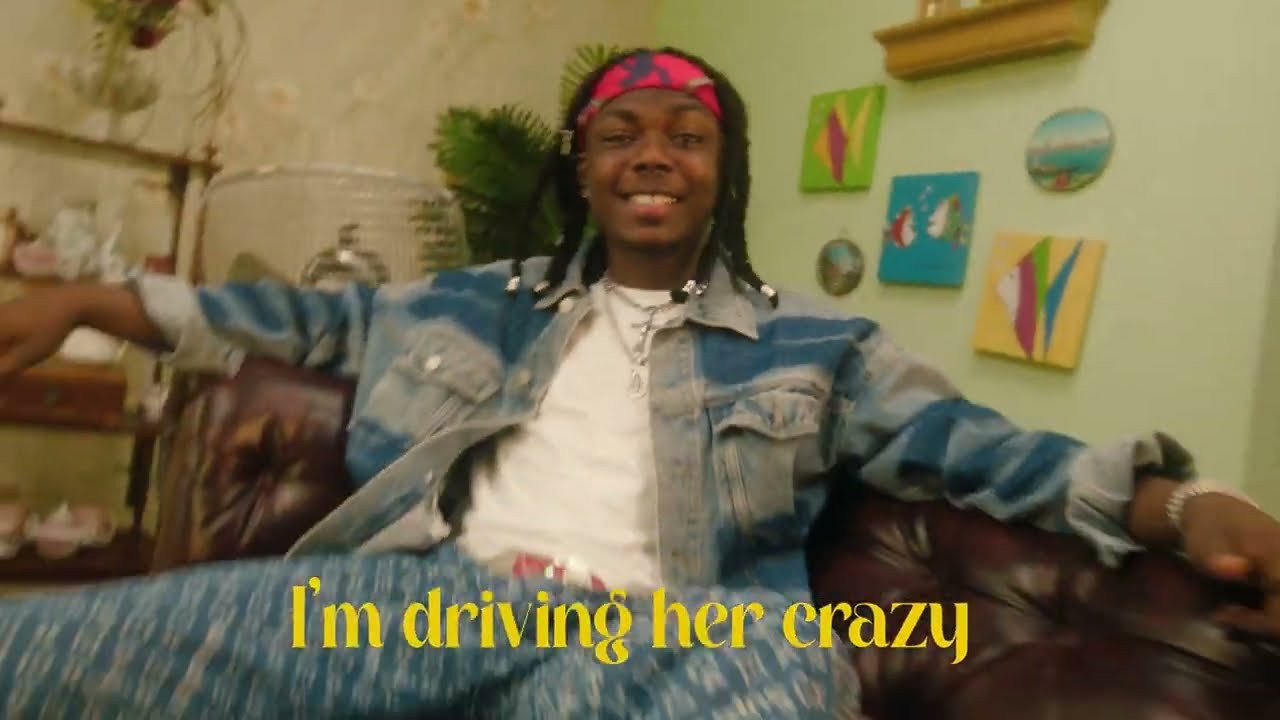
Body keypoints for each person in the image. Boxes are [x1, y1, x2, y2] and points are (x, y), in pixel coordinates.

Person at [0, 46, 1277, 719]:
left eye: (685, 134)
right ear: (586, 169)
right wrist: (83, 301)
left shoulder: (816, 346)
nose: (651, 152)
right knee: (47, 648)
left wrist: (1183, 503)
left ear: (722, 171)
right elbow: (282, 316)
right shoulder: (468, 299)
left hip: (673, 635)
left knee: (779, 661)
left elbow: (988, 451)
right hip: (426, 607)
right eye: (620, 133)